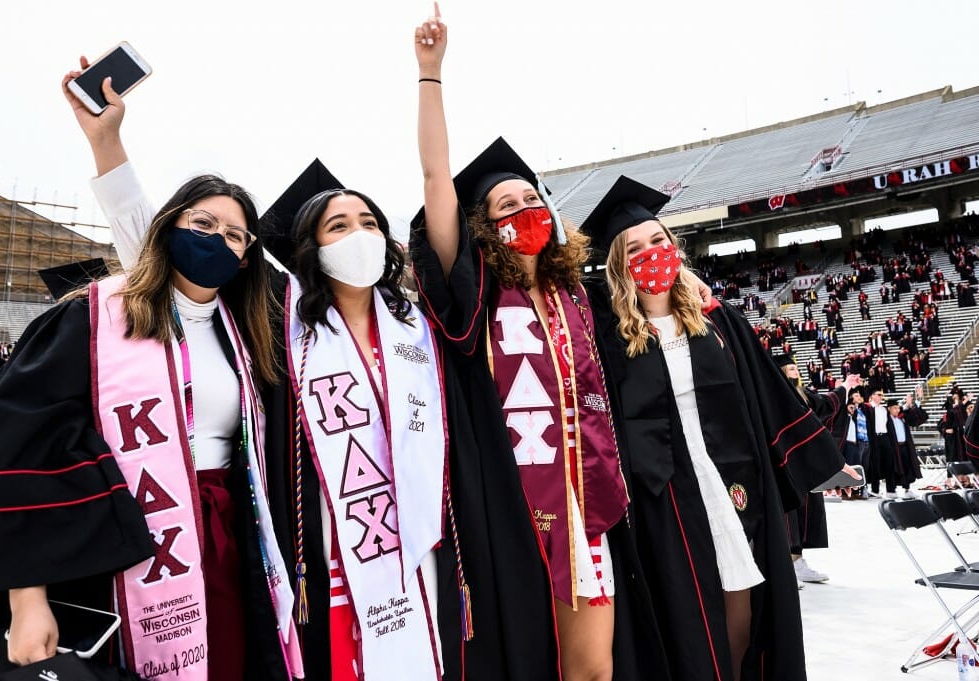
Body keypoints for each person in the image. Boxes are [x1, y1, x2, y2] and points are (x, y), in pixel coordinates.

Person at [70, 57, 552, 680]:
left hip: (416, 557)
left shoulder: (419, 326)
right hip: (323, 557)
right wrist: (107, 146)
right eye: (339, 225)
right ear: (310, 248)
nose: (360, 233)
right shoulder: (277, 319)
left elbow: (440, 191)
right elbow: (160, 264)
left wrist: (430, 74)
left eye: (370, 222)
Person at [0, 73, 296, 681]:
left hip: (228, 542)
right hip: (118, 546)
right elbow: (18, 452)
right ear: (168, 228)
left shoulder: (247, 335)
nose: (218, 240)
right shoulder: (98, 319)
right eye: (203, 224)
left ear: (247, 257)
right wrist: (25, 597)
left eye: (235, 235)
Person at [410, 9, 671, 680]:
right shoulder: (476, 296)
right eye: (505, 205)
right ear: (484, 228)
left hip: (585, 503)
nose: (524, 210)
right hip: (512, 506)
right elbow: (438, 181)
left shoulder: (576, 298)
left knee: (593, 665)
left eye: (532, 198)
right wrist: (430, 75)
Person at [579, 175, 848, 681]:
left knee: (742, 601)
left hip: (731, 477)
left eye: (658, 241)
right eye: (634, 248)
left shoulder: (715, 320)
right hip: (661, 490)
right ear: (618, 266)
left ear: (675, 248)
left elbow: (766, 389)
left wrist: (820, 458)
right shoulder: (606, 331)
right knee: (683, 612)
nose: (650, 253)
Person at [773, 354, 862, 587]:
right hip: (782, 461)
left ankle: (798, 562)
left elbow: (826, 405)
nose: (794, 372)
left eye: (795, 368)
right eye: (789, 369)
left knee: (806, 512)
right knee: (788, 516)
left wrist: (845, 385)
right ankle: (784, 567)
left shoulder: (803, 395)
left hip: (805, 461)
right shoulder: (773, 397)